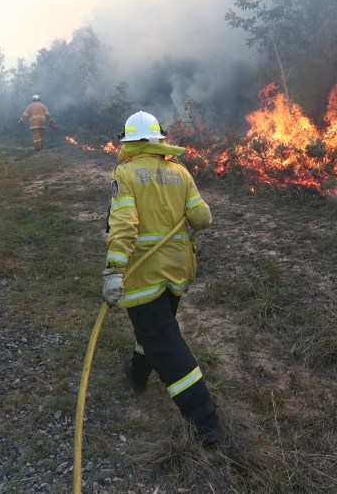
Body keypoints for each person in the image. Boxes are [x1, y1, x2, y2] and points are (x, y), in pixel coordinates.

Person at [102, 110, 221, 446]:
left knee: (165, 343)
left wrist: (113, 272)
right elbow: (203, 219)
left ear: (128, 142)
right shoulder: (180, 173)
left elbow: (123, 226)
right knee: (157, 328)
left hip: (143, 274)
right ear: (158, 141)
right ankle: (137, 372)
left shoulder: (124, 174)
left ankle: (205, 419)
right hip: (177, 272)